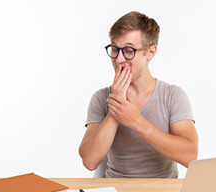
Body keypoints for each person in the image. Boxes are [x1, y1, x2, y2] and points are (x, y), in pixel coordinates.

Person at [79, 11, 198, 178]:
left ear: (150, 52)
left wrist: (136, 121)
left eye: (128, 50)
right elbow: (90, 161)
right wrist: (117, 104)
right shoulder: (101, 98)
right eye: (115, 49)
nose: (119, 59)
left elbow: (189, 155)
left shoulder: (173, 96)